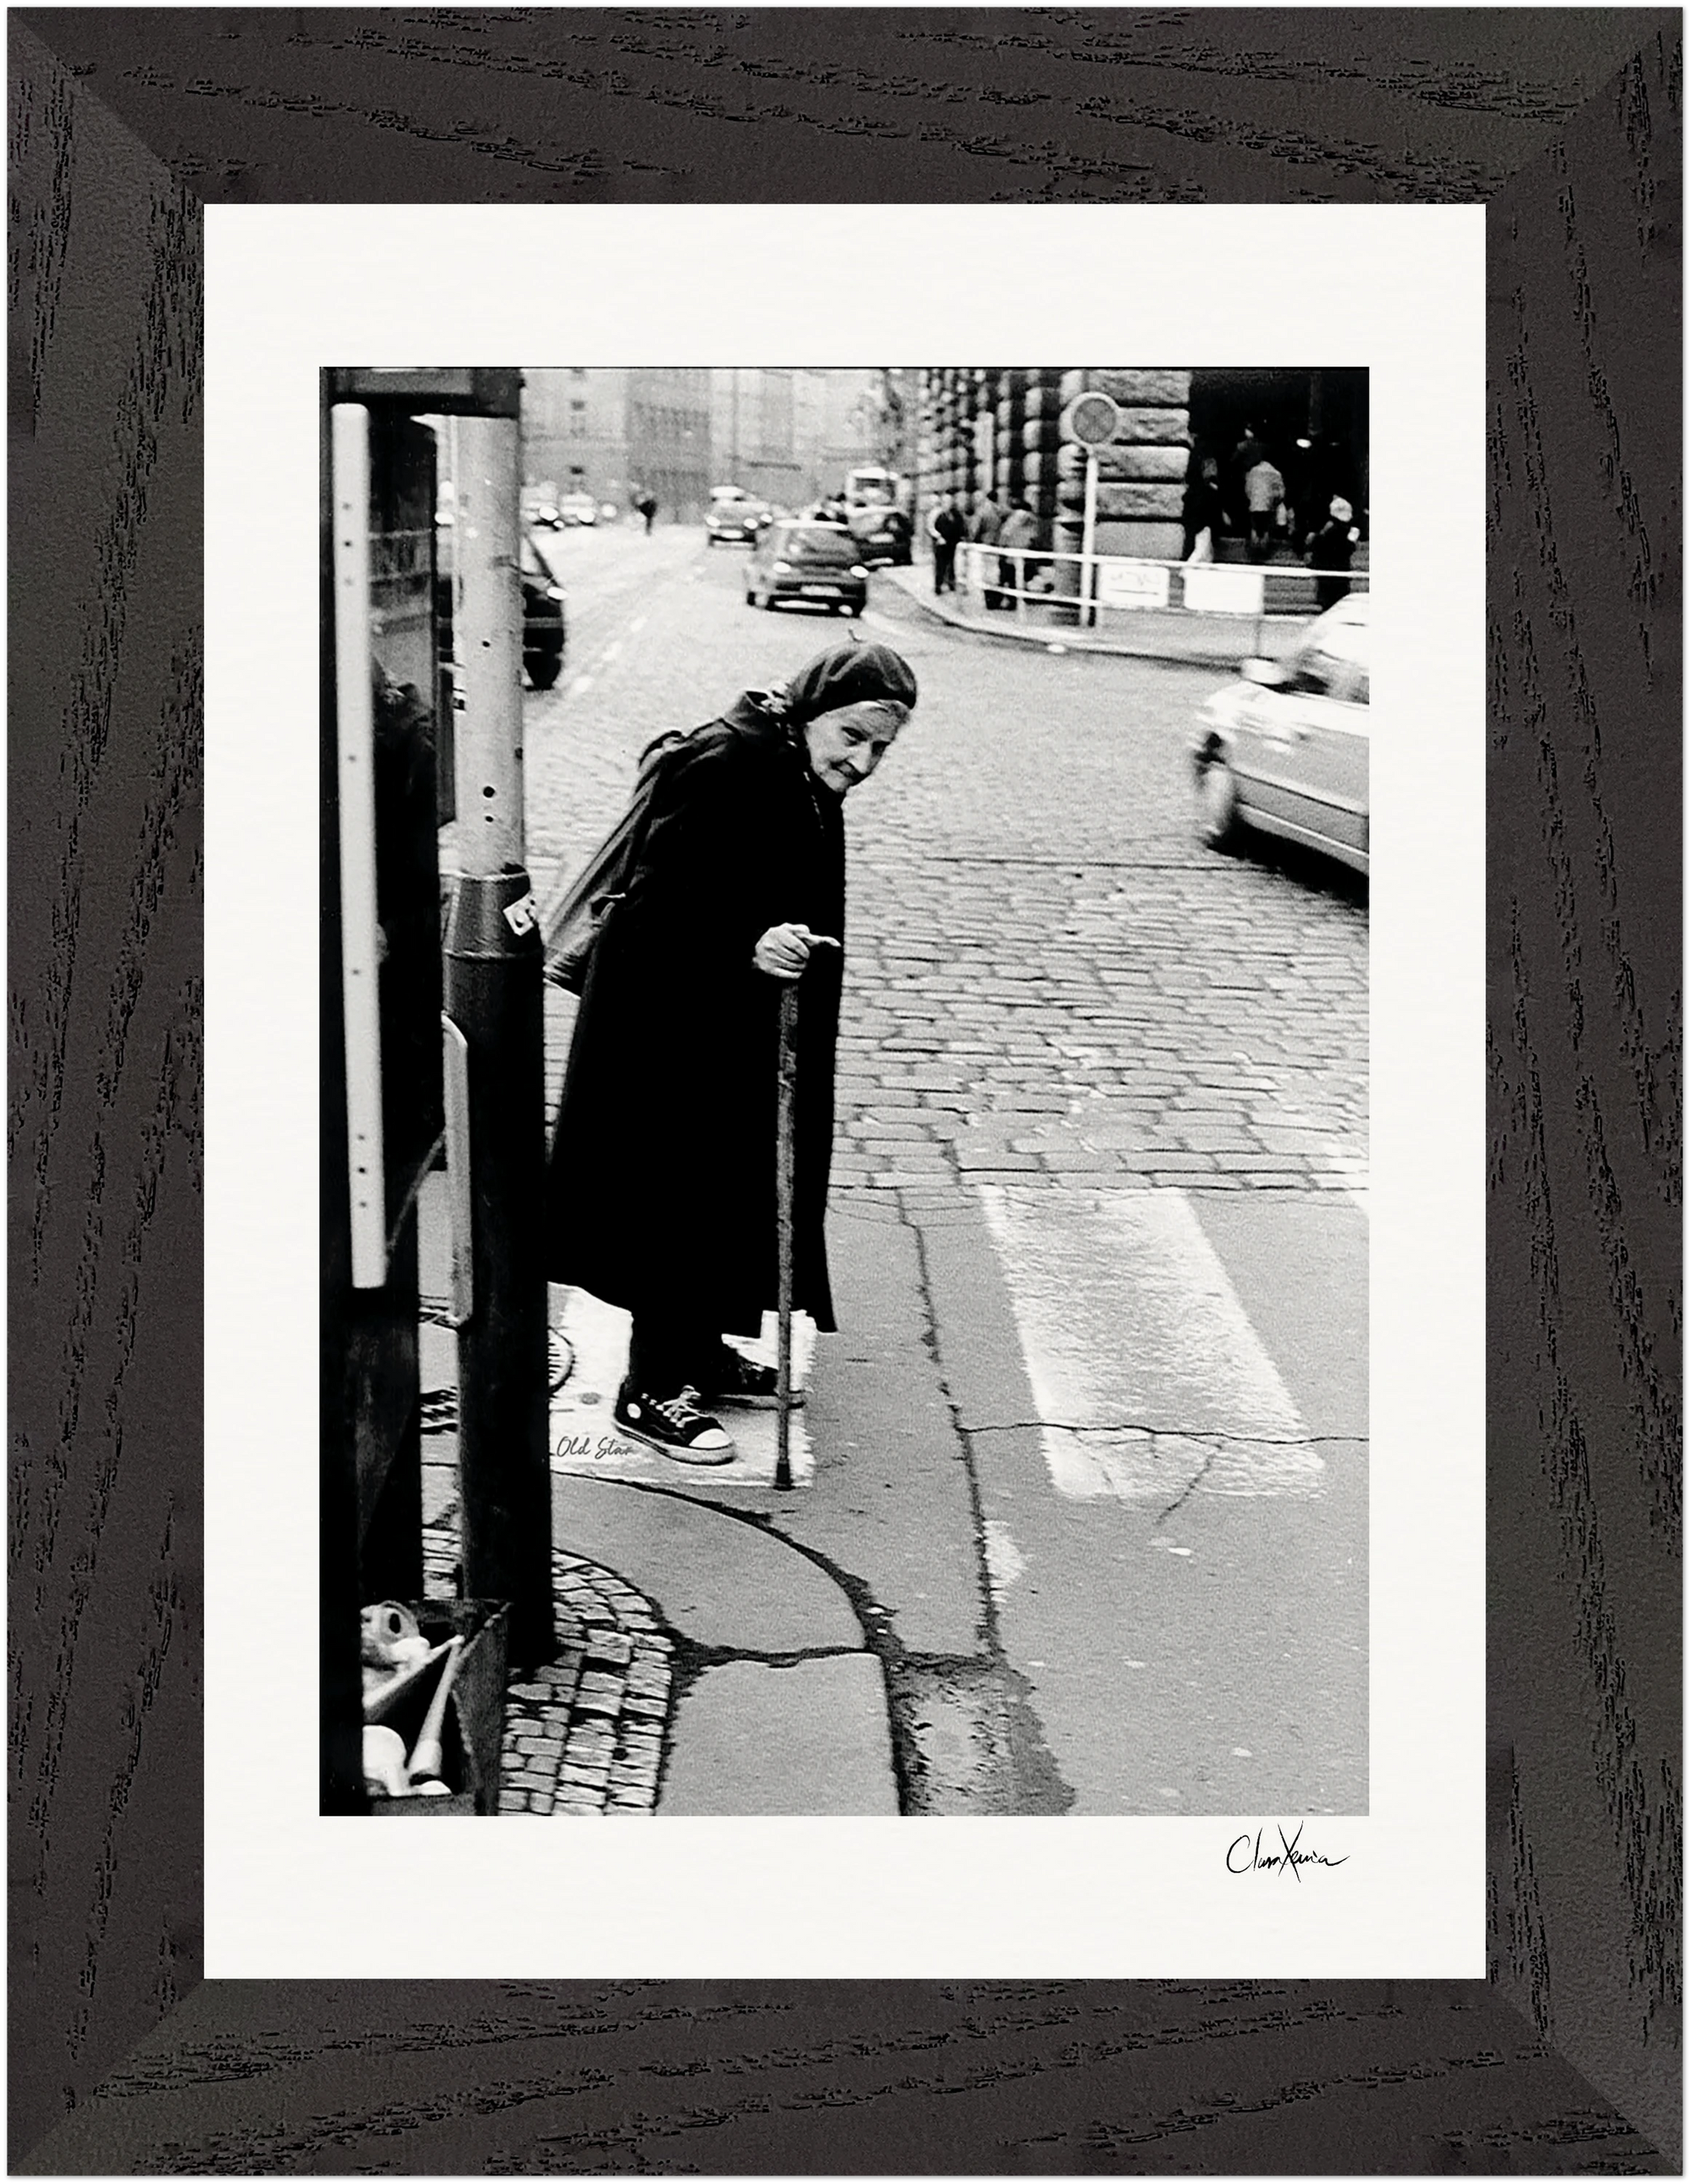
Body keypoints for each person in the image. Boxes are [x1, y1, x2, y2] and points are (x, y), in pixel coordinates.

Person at [545, 641, 919, 1464]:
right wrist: (747, 946)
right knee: (679, 1194)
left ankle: (700, 1349)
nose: (861, 762)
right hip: (671, 1032)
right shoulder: (723, 763)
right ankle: (650, 1387)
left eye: (880, 749)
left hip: (739, 1023)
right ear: (811, 711)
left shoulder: (794, 763)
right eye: (853, 736)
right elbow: (652, 911)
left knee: (731, 1187)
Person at [1308, 496, 1361, 610]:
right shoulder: (1338, 531)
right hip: (1334, 572)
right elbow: (1346, 549)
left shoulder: (1327, 531)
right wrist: (1351, 540)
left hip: (1331, 572)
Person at [1242, 448, 1284, 562]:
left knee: (1255, 529)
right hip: (1268, 507)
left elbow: (1248, 489)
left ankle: (1254, 554)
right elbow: (1281, 494)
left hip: (1255, 506)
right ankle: (1263, 555)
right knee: (1265, 530)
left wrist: (1252, 499)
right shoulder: (1276, 473)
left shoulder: (1253, 471)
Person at [1180, 455, 1224, 562]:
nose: (1214, 471)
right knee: (1200, 555)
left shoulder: (1195, 489)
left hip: (1195, 528)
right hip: (1203, 528)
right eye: (1212, 468)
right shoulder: (1210, 489)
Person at [997, 497, 1038, 606]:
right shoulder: (1032, 519)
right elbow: (1034, 536)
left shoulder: (1014, 518)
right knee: (1020, 575)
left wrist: (1002, 547)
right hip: (1025, 551)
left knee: (1010, 576)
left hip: (1011, 551)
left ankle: (1011, 599)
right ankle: (1017, 597)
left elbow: (1005, 533)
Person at [969, 489, 1004, 605]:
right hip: (998, 544)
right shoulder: (1000, 510)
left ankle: (989, 600)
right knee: (996, 573)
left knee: (987, 573)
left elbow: (975, 529)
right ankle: (996, 598)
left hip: (985, 544)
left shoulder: (982, 511)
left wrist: (973, 540)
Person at [927, 491, 966, 594]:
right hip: (941, 544)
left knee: (951, 564)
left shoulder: (956, 515)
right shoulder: (938, 514)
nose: (948, 504)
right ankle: (938, 586)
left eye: (950, 502)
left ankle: (951, 583)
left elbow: (960, 527)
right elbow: (931, 527)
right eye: (945, 502)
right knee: (940, 565)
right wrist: (938, 537)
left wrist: (960, 537)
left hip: (952, 543)